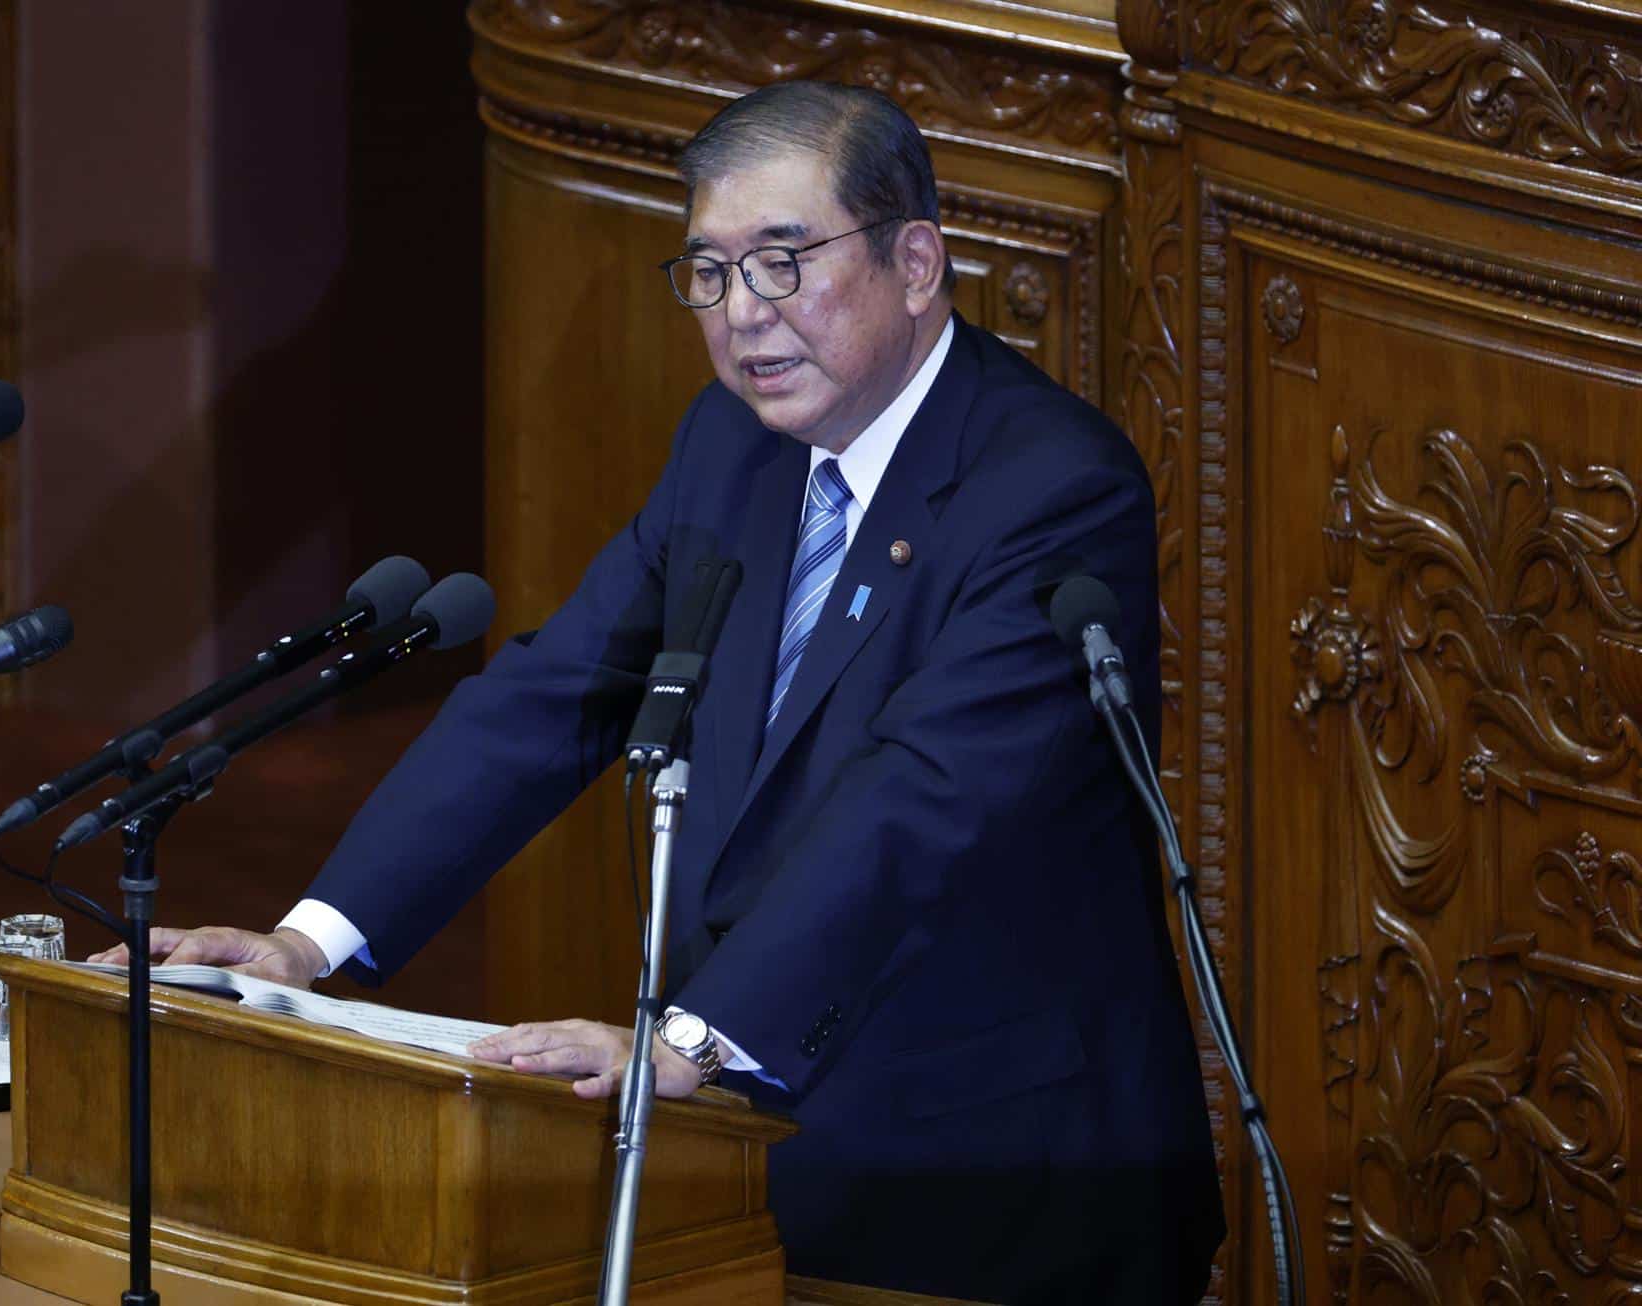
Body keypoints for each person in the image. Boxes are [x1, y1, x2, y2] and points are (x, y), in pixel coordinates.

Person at [97, 81, 1223, 1303]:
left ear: (916, 261)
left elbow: (925, 804)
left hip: (1000, 1171)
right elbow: (558, 692)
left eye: (784, 263)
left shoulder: (1052, 486)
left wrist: (686, 1040)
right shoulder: (732, 445)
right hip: (764, 1140)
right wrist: (307, 947)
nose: (744, 316)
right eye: (711, 273)